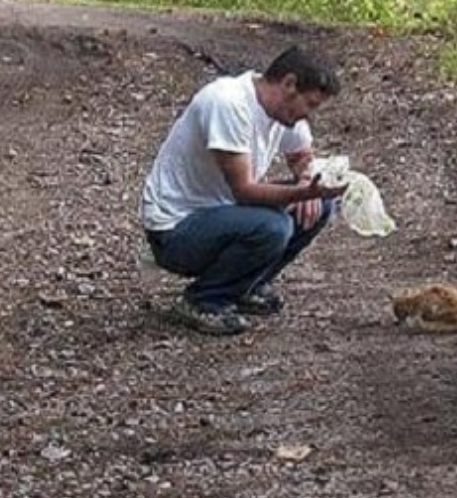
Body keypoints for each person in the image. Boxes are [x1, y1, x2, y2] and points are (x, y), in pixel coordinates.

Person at [140, 46, 348, 335]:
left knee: (320, 208)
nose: (309, 115)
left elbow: (301, 156)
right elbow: (245, 191)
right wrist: (305, 193)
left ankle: (247, 285)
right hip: (177, 230)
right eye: (310, 104)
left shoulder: (285, 114)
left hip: (224, 216)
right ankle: (204, 300)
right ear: (289, 85)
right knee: (273, 227)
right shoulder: (228, 103)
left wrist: (308, 179)